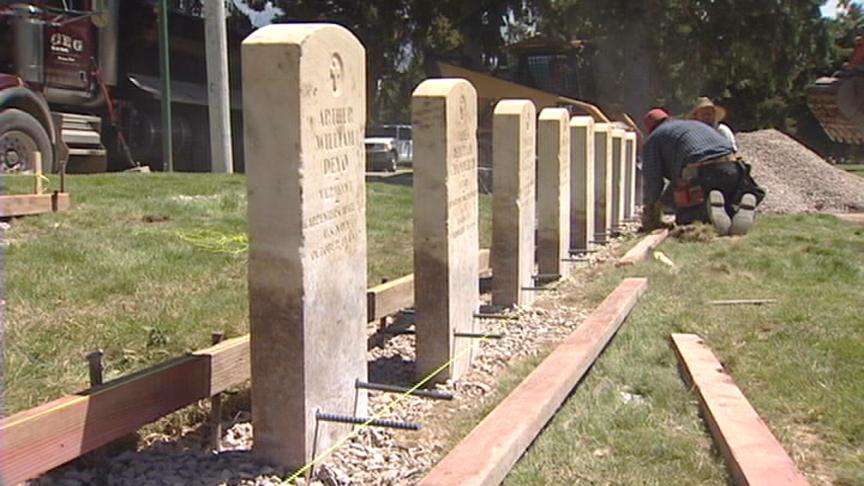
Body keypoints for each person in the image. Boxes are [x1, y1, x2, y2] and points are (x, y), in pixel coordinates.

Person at [641, 108, 765, 236]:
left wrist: (651, 211)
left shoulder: (654, 138)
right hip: (734, 168)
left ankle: (707, 216)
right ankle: (735, 210)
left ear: (650, 128)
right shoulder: (694, 124)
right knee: (725, 203)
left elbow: (652, 181)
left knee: (687, 218)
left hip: (703, 172)